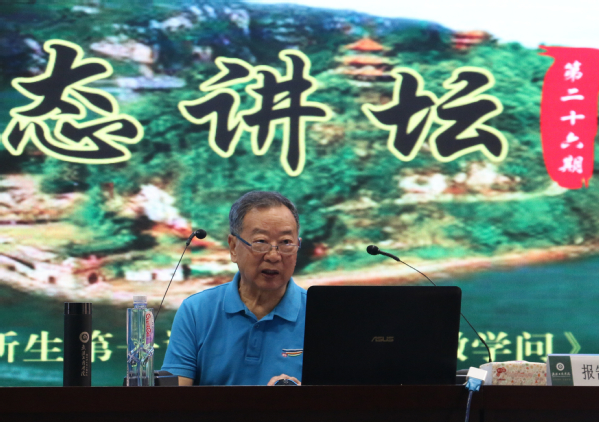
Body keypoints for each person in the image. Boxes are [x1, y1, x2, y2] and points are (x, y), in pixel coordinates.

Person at [161, 191, 306, 386]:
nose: (273, 256)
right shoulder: (196, 311)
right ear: (233, 247)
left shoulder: (321, 315)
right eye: (261, 242)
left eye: (286, 242)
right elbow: (172, 398)